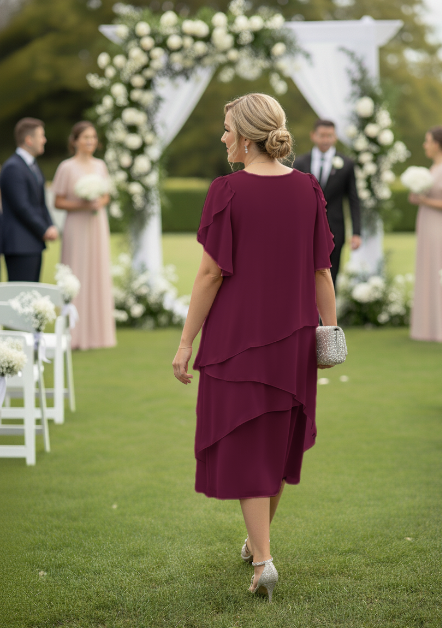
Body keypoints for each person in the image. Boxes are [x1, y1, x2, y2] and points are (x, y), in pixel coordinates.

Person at [172, 94, 337, 602]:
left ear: (245, 137)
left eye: (227, 129)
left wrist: (185, 342)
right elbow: (321, 271)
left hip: (236, 342)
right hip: (293, 340)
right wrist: (330, 331)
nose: (223, 137)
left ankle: (264, 559)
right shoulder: (308, 188)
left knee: (247, 447)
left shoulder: (226, 190)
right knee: (276, 444)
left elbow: (210, 273)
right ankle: (256, 543)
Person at [52, 121, 116, 350]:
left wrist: (99, 202)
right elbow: (58, 201)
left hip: (97, 224)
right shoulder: (66, 167)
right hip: (76, 226)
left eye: (93, 137)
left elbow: (106, 195)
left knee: (98, 271)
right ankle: (74, 334)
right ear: (75, 141)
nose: (90, 141)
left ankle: (99, 334)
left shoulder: (100, 165)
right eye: (86, 137)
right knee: (76, 271)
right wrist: (83, 204)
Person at [293, 119, 361, 286]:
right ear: (313, 136)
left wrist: (356, 232)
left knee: (332, 274)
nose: (325, 140)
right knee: (304, 273)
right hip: (305, 229)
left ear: (335, 137)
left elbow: (353, 199)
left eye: (329, 136)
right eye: (322, 135)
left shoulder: (347, 164)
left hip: (335, 228)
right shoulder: (300, 163)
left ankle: (330, 304)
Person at [0, 118, 58, 281]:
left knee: (33, 292)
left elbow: (40, 202)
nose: (44, 140)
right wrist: (44, 229)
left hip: (33, 242)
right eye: (41, 136)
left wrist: (50, 224)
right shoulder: (13, 167)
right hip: (19, 244)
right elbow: (22, 206)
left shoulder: (32, 165)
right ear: (28, 140)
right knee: (21, 293)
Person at [409, 126, 442, 342]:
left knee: (438, 269)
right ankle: (428, 326)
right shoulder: (432, 168)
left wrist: (425, 200)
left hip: (438, 227)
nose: (425, 145)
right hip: (427, 224)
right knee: (428, 269)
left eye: (428, 141)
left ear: (437, 144)